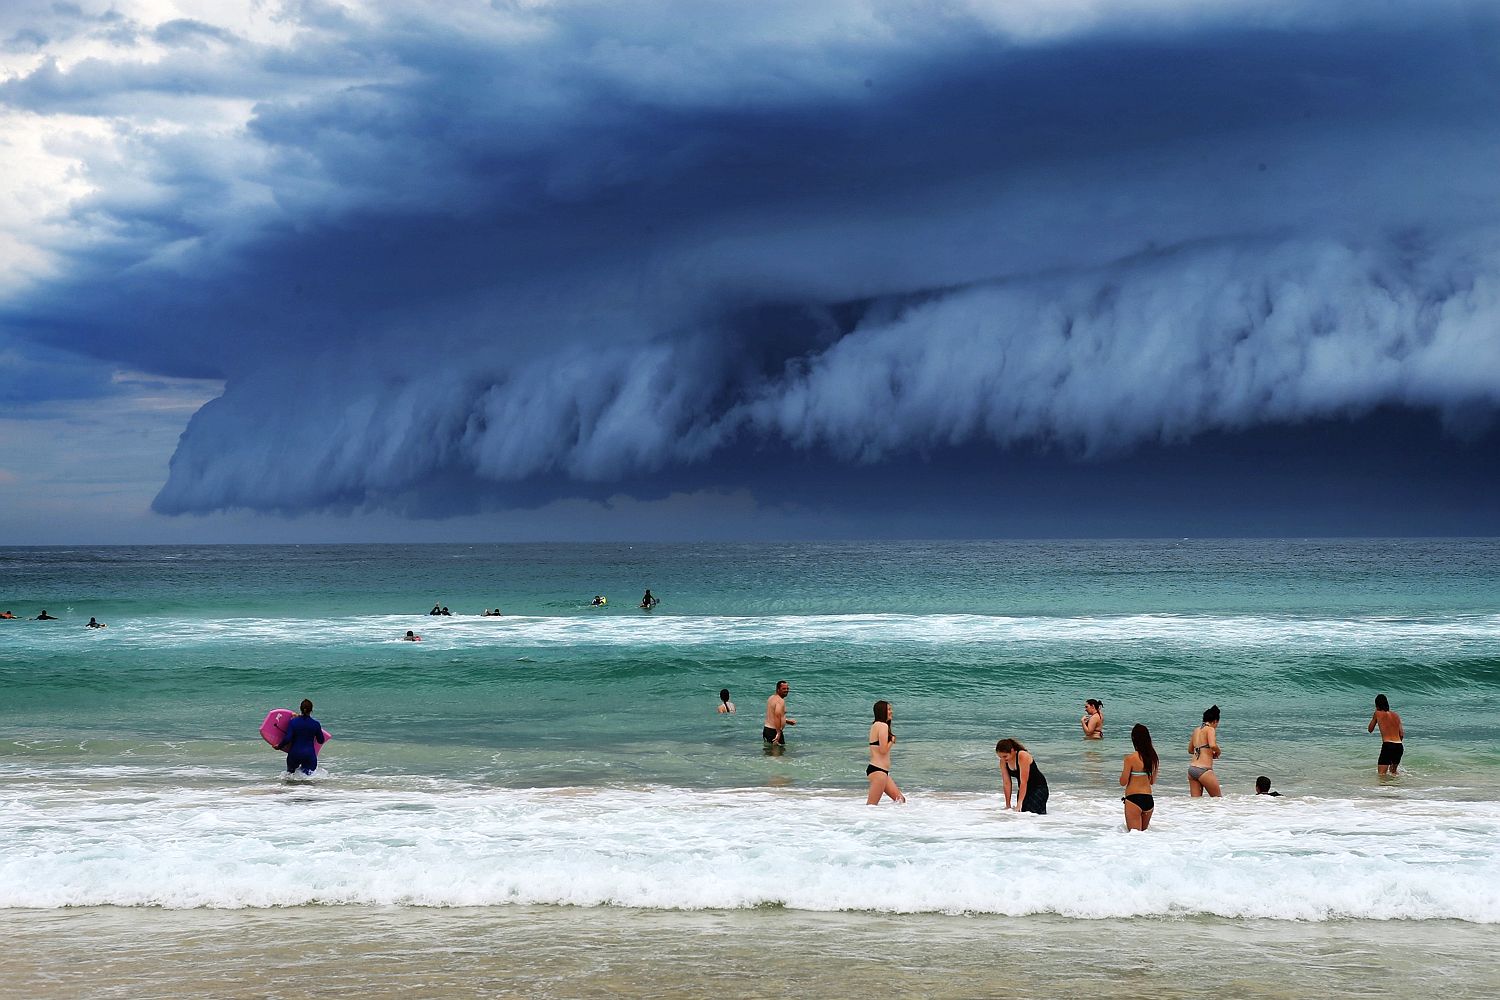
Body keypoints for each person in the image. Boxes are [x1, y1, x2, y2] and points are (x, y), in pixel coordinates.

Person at [866, 700, 906, 804]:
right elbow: (883, 750)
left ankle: (890, 820)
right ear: (882, 711)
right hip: (879, 771)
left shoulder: (875, 725)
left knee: (900, 800)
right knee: (871, 806)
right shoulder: (883, 726)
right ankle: (862, 820)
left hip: (879, 770)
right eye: (888, 709)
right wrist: (892, 740)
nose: (891, 711)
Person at [1120, 723, 1158, 830]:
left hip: (1133, 799)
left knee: (1134, 837)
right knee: (1142, 838)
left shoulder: (1130, 758)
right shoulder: (1153, 758)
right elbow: (1152, 781)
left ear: (1134, 739)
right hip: (1148, 800)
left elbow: (1123, 782)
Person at [996, 738, 1049, 814]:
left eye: (1005, 756)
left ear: (1012, 751)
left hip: (1038, 787)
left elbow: (1023, 782)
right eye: (1000, 757)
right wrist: (1008, 805)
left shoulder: (1022, 755)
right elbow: (1006, 783)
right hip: (1024, 790)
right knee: (1022, 814)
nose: (1003, 759)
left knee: (1034, 813)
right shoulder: (1003, 761)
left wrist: (1019, 803)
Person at [276, 698, 326, 776]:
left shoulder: (293, 722)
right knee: (308, 780)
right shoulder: (316, 724)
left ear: (301, 709)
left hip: (295, 754)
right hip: (309, 755)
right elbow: (321, 740)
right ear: (311, 710)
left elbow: (288, 738)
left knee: (290, 778)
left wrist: (279, 746)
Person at [1188, 705, 1222, 797]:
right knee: (1218, 800)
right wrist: (1218, 752)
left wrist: (1206, 752)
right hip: (1204, 769)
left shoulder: (1196, 730)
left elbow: (1190, 750)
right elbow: (1212, 745)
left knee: (1196, 803)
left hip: (1192, 769)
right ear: (1215, 721)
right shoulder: (1210, 729)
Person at [1368, 694, 1405, 775]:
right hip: (1399, 746)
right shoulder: (1396, 715)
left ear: (1377, 704)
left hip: (1388, 745)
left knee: (1381, 774)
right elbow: (1401, 734)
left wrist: (1374, 716)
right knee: (1394, 773)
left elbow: (1370, 729)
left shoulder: (1377, 713)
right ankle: (1397, 787)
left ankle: (1384, 788)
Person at [763, 679, 795, 745]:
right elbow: (777, 716)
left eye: (787, 688)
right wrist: (778, 733)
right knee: (778, 754)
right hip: (774, 731)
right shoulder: (780, 701)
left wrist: (786, 721)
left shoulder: (771, 698)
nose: (786, 690)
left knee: (769, 753)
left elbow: (772, 715)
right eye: (783, 689)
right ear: (778, 689)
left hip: (767, 730)